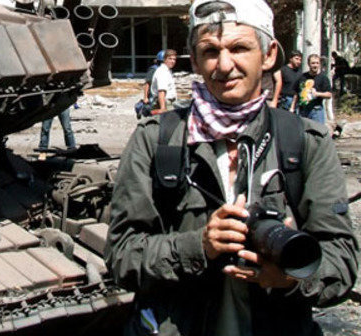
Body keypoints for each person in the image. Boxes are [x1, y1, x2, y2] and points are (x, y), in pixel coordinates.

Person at [105, 1, 359, 336]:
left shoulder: (305, 141)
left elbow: (341, 261)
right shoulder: (156, 140)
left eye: (239, 48)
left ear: (268, 55)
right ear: (194, 60)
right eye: (210, 51)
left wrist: (290, 277)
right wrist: (199, 246)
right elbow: (122, 255)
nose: (224, 65)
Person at [291, 54, 332, 124]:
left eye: (317, 63)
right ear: (308, 64)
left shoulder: (323, 78)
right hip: (303, 110)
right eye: (313, 63)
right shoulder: (302, 77)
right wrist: (292, 108)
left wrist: (317, 94)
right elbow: (296, 94)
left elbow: (329, 95)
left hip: (316, 111)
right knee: (302, 133)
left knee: (317, 133)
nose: (315, 65)